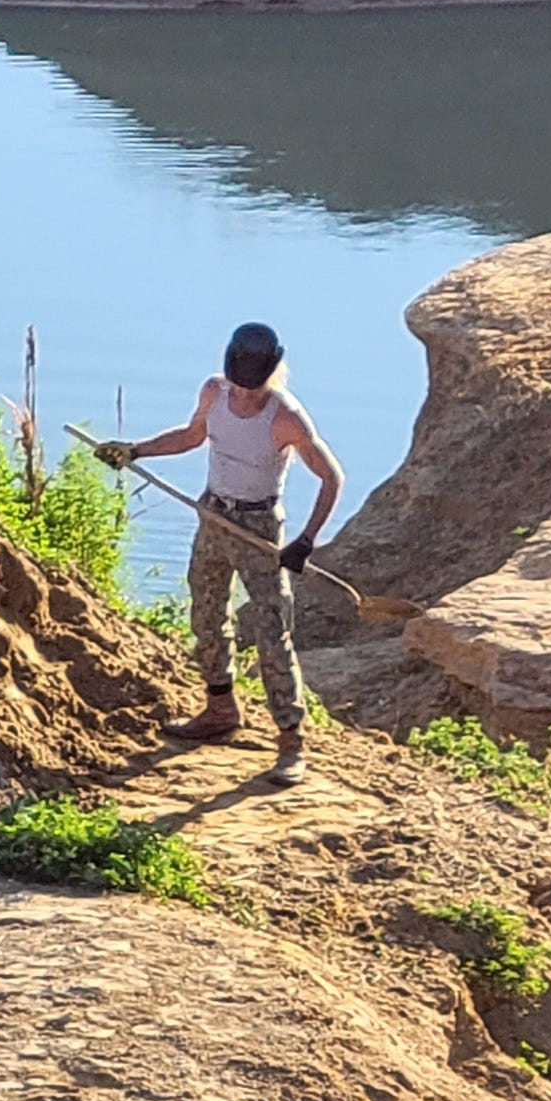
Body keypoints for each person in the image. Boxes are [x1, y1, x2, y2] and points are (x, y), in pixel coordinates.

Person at [97, 323, 343, 786]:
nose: (244, 393)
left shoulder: (285, 417)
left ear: (271, 374)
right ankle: (220, 708)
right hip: (214, 515)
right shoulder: (214, 391)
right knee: (207, 615)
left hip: (258, 527)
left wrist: (306, 539)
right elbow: (192, 435)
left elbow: (331, 478)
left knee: (273, 632)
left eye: (253, 385)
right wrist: (136, 451)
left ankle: (291, 742)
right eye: (239, 382)